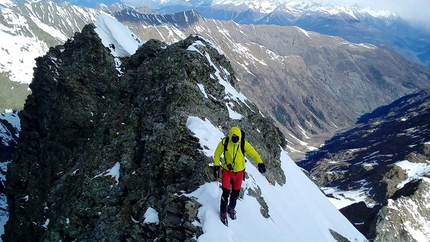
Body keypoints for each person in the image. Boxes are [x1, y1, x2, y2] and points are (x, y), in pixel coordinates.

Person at [213, 126, 266, 225]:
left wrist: (260, 163)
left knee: (235, 194)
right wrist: (216, 165)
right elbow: (217, 153)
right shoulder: (225, 142)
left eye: (236, 136)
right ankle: (223, 212)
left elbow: (254, 153)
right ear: (230, 135)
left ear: (240, 137)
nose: (234, 138)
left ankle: (231, 208)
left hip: (239, 173)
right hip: (227, 172)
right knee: (225, 193)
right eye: (233, 136)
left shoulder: (243, 144)